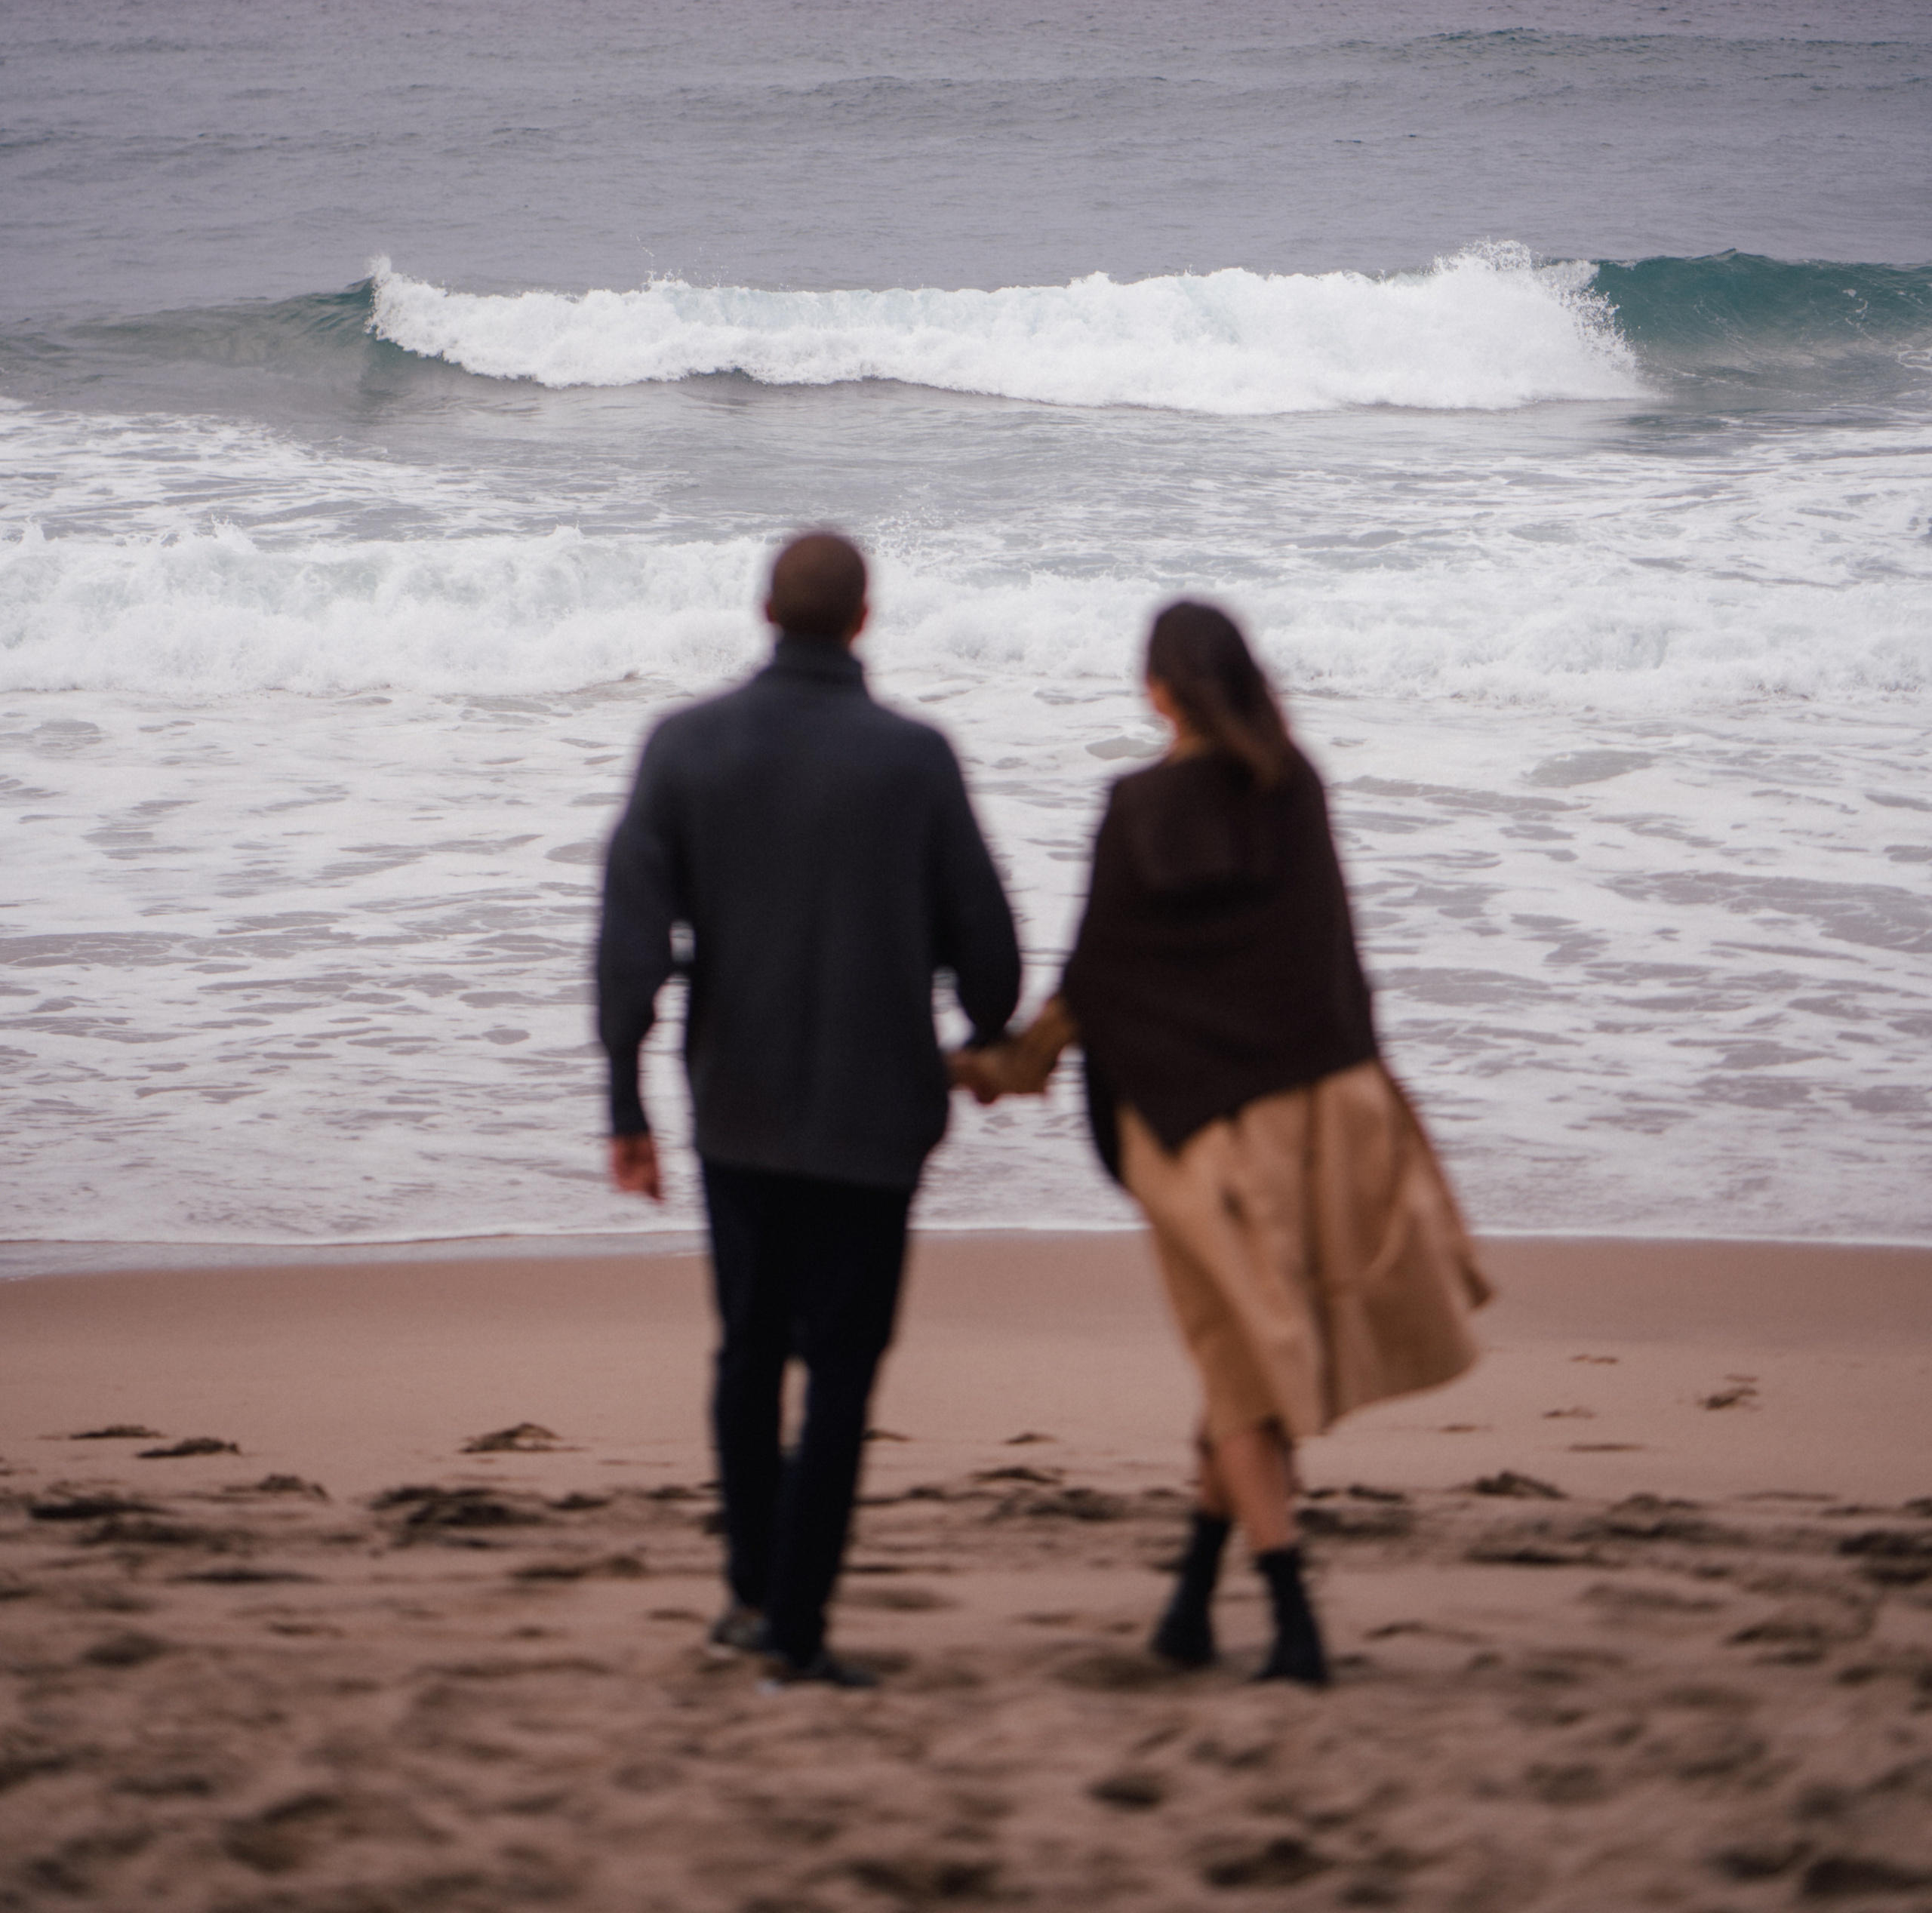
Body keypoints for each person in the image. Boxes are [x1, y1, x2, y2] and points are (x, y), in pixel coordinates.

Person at [956, 600, 1488, 1687]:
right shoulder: (1296, 788)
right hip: (1332, 1110)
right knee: (1244, 1354)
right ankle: (1193, 1600)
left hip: (1203, 1131)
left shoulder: (1140, 805)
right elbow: (1325, 955)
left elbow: (1098, 978)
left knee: (1233, 1361)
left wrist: (1006, 1068)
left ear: (1157, 691)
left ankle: (1292, 1619)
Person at [597, 529, 1021, 1688]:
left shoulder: (686, 747)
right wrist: (986, 1040)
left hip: (737, 1103)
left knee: (747, 1352)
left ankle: (748, 1591)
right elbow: (987, 936)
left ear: (765, 608)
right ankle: (799, 1626)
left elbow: (630, 943)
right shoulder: (917, 759)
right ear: (864, 617)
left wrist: (624, 1102)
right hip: (877, 1116)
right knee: (841, 1367)